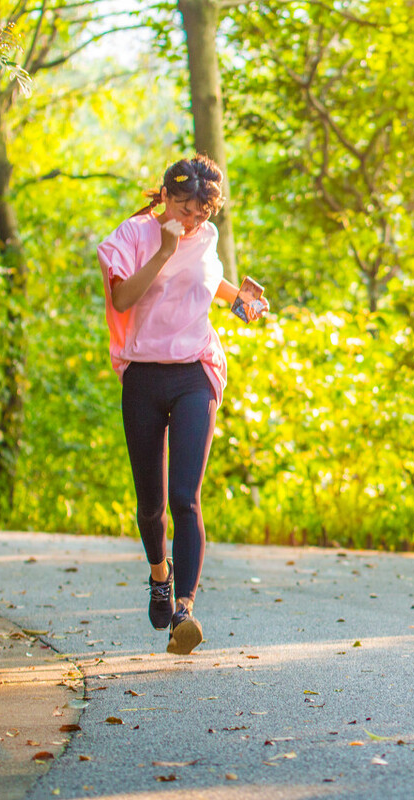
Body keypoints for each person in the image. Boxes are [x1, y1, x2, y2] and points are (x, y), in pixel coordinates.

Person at [97, 154, 268, 655]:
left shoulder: (207, 239)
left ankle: (185, 612)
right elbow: (123, 299)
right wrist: (164, 249)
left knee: (184, 497)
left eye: (201, 214)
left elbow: (207, 283)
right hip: (144, 375)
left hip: (195, 371)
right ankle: (159, 575)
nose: (192, 222)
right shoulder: (130, 237)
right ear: (166, 196)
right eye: (185, 209)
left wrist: (243, 302)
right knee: (151, 505)